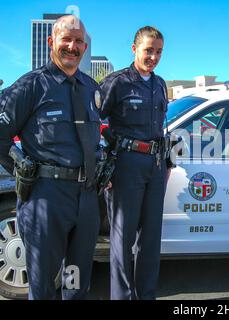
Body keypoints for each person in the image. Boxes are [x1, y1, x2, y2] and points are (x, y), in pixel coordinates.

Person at [0, 15, 101, 299]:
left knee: (76, 280)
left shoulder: (91, 88)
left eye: (79, 41)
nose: (72, 46)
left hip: (86, 199)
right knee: (43, 283)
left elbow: (93, 136)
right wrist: (20, 166)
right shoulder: (30, 86)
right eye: (66, 39)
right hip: (46, 198)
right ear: (51, 42)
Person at [100, 26, 170, 300]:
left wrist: (168, 163)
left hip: (154, 165)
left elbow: (163, 129)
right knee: (122, 239)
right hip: (125, 164)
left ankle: (146, 295)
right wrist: (102, 164)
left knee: (151, 241)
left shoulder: (160, 83)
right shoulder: (117, 82)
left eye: (159, 51)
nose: (154, 56)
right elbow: (96, 122)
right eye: (149, 50)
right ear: (134, 49)